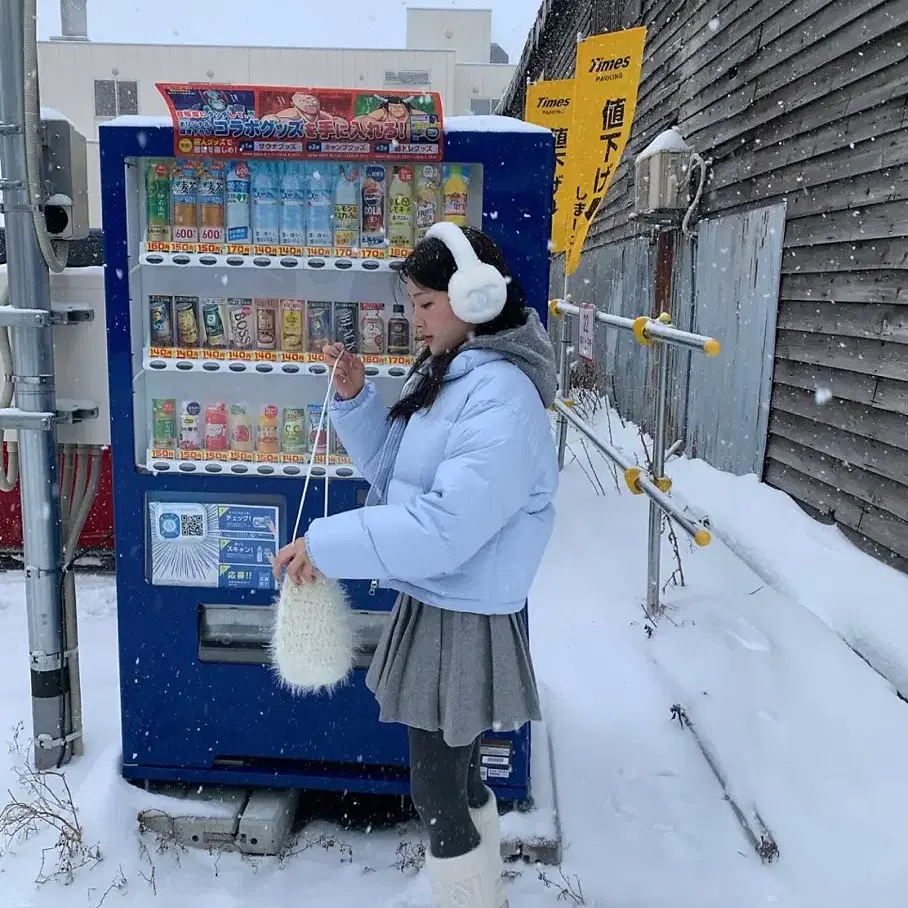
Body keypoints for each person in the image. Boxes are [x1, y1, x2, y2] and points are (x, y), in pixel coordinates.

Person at [272, 223, 559, 908]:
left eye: (426, 303)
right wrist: (355, 399)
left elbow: (444, 529)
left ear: (476, 297)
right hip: (441, 602)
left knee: (435, 788)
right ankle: (484, 892)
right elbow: (395, 477)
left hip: (464, 613)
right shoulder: (456, 375)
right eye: (412, 303)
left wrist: (325, 545)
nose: (414, 319)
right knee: (453, 782)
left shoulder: (502, 398)